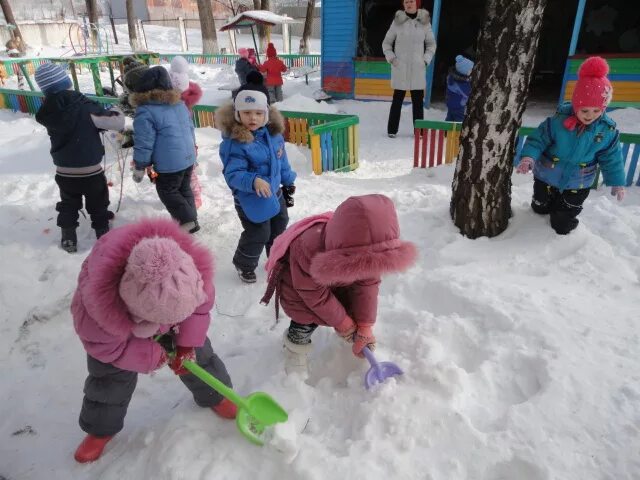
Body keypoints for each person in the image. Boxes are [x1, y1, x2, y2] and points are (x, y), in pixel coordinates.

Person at [70, 218, 236, 463]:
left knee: (199, 355)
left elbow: (200, 310)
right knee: (109, 379)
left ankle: (215, 394)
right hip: (121, 331)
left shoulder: (190, 272)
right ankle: (100, 428)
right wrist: (156, 355)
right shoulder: (96, 312)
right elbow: (108, 350)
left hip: (167, 310)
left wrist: (186, 344)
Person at [260, 194, 417, 376]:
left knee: (350, 305)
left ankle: (350, 329)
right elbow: (313, 294)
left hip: (337, 278)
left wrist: (364, 325)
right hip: (298, 286)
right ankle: (295, 345)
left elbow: (368, 285)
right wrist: (343, 323)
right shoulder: (307, 248)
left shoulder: (373, 249)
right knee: (304, 317)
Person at [516, 56, 626, 235]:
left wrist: (617, 182)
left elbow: (612, 158)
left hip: (578, 182)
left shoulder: (606, 132)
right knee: (540, 207)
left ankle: (564, 230)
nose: (590, 116)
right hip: (547, 176)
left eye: (596, 111)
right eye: (585, 110)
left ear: (604, 108)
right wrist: (528, 157)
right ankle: (542, 208)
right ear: (576, 104)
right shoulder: (557, 123)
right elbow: (538, 140)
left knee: (563, 221)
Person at [215, 72, 297, 283]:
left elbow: (282, 160)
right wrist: (253, 181)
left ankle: (276, 258)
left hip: (274, 191)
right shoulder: (235, 143)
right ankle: (244, 263)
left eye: (258, 113)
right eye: (247, 112)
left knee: (280, 224)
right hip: (249, 196)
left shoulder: (274, 135)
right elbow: (233, 174)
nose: (253, 118)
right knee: (259, 231)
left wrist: (288, 180)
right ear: (237, 114)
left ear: (266, 114)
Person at [34, 62, 123, 252]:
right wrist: (117, 110)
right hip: (90, 171)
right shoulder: (84, 107)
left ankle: (68, 238)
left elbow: (71, 123)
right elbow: (117, 122)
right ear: (66, 83)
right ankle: (102, 233)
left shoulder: (49, 112)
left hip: (64, 172)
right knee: (98, 202)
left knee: (68, 203)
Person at [128, 66, 200, 234]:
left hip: (169, 164)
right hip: (187, 157)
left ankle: (187, 220)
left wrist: (140, 165)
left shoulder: (145, 110)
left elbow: (144, 141)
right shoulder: (179, 104)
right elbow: (190, 128)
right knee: (184, 189)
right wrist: (192, 152)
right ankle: (191, 220)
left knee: (167, 191)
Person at [382, 0, 437, 138]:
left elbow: (431, 45)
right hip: (400, 68)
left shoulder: (424, 22)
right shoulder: (397, 22)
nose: (408, 4)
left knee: (418, 101)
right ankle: (392, 130)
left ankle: (419, 132)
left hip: (417, 69)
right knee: (397, 100)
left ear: (417, 3)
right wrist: (392, 59)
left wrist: (425, 60)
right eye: (406, 1)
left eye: (411, 1)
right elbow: (386, 43)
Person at [169, 55, 204, 209]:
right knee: (188, 175)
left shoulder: (181, 106)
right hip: (183, 146)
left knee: (189, 176)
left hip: (183, 146)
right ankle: (192, 196)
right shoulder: (185, 104)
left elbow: (189, 130)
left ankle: (195, 196)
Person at [445, 55, 473, 122]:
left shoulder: (452, 78)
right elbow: (468, 93)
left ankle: (446, 131)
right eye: (471, 69)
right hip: (459, 108)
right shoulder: (462, 84)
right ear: (464, 71)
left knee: (449, 121)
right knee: (459, 124)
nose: (472, 71)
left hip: (451, 105)